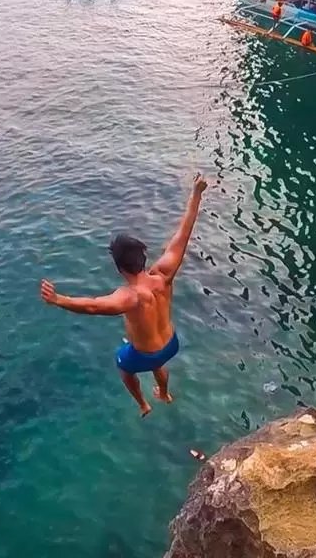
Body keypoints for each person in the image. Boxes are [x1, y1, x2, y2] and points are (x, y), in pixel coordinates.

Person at [40, 174, 209, 418]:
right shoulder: (163, 275)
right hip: (171, 344)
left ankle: (143, 404)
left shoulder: (130, 296)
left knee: (124, 367)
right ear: (144, 258)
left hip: (145, 354)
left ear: (119, 268)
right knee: (157, 363)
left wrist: (58, 300)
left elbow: (93, 307)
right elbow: (183, 235)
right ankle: (163, 393)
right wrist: (196, 194)